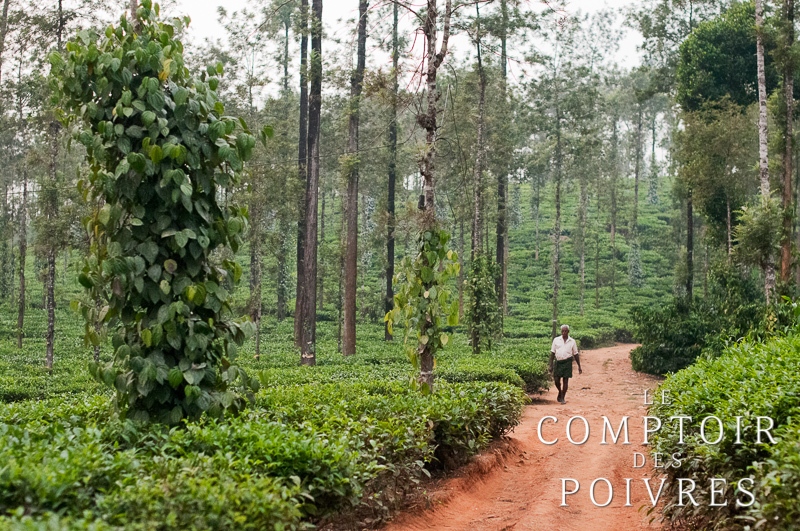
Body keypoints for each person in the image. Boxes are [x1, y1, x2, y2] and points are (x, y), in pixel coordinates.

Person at [548, 324, 582, 404]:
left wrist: (579, 366)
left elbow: (576, 354)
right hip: (558, 362)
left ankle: (563, 397)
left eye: (565, 331)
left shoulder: (572, 341)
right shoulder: (556, 340)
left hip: (567, 362)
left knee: (565, 380)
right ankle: (560, 391)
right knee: (556, 380)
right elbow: (552, 353)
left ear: (568, 331)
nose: (563, 333)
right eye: (562, 331)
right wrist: (551, 365)